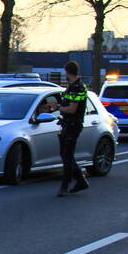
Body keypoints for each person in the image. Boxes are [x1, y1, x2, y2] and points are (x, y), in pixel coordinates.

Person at [47, 61, 89, 197]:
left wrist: (58, 107)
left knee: (67, 155)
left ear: (67, 71)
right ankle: (80, 180)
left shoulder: (77, 87)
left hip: (73, 125)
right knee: (65, 154)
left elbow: (72, 109)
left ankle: (65, 184)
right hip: (67, 124)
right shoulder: (72, 86)